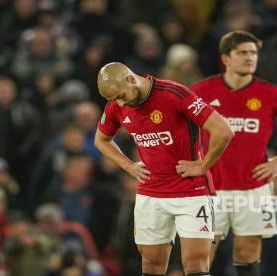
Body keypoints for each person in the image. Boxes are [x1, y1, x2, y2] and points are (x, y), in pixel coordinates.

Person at [191, 30, 277, 276]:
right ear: (226, 59)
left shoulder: (270, 93)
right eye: (242, 52)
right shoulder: (202, 91)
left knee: (248, 253)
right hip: (208, 187)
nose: (250, 57)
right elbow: (174, 124)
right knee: (201, 255)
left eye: (253, 53)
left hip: (252, 187)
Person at [94, 62, 234, 276]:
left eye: (121, 96)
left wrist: (203, 165)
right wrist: (128, 166)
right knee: (151, 266)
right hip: (151, 193)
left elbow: (223, 131)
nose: (120, 102)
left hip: (191, 192)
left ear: (131, 79)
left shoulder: (173, 93)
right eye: (114, 99)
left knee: (196, 266)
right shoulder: (117, 105)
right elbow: (101, 140)